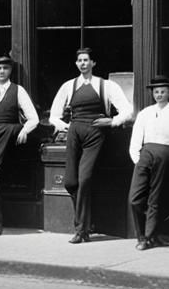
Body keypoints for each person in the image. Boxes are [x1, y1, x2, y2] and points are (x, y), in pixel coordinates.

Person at [49, 47, 133, 243]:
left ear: (93, 63)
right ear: (76, 63)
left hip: (95, 134)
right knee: (71, 182)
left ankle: (81, 229)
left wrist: (111, 121)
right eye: (80, 60)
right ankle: (86, 222)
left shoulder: (106, 85)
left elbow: (128, 110)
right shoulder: (68, 86)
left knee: (85, 179)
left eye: (86, 60)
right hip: (74, 132)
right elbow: (54, 115)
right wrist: (67, 126)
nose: (83, 64)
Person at [0, 54, 39, 235]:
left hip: (12, 133)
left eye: (5, 68)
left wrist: (25, 130)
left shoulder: (18, 90)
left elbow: (33, 117)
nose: (2, 71)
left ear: (10, 70)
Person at [128, 74, 169, 250]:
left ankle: (147, 238)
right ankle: (141, 234)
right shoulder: (145, 113)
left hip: (166, 153)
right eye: (156, 91)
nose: (159, 94)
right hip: (145, 154)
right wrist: (138, 159)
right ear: (152, 93)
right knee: (135, 198)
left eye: (163, 91)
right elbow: (135, 139)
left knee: (155, 198)